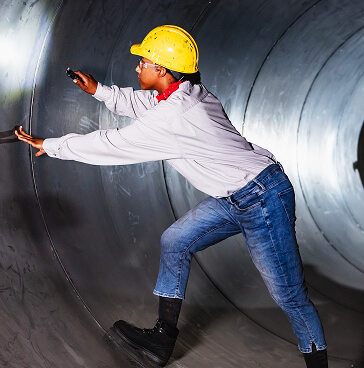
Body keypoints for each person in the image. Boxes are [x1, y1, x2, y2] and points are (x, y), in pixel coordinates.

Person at [16, 25, 328, 368]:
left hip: (263, 198)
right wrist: (100, 91)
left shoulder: (177, 116)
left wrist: (52, 145)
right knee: (175, 240)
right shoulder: (187, 92)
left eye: (143, 63)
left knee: (290, 297)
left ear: (162, 70)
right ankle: (161, 342)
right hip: (234, 197)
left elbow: (112, 143)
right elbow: (147, 103)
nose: (137, 68)